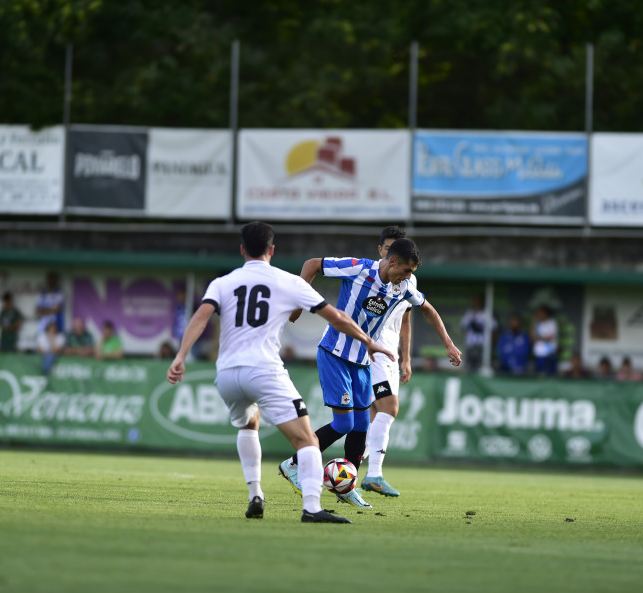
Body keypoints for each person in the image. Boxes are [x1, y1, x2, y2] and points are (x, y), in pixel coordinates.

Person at [166, 221, 394, 523]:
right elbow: (337, 317)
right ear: (272, 250)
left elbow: (200, 316)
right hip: (263, 370)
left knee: (249, 425)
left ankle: (255, 494)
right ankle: (312, 508)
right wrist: (368, 341)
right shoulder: (287, 281)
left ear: (242, 250)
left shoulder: (222, 282)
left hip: (226, 374)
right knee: (307, 441)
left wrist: (180, 356)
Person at [279, 237, 462, 509]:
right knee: (343, 424)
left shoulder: (404, 287)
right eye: (407, 270)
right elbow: (312, 264)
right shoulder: (358, 268)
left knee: (362, 425)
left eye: (412, 273)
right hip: (335, 354)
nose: (409, 277)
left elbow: (428, 309)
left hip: (363, 361)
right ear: (392, 261)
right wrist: (297, 304)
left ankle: (348, 484)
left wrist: (447, 342)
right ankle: (293, 464)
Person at [361, 226, 415, 498]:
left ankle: (346, 470)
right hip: (374, 352)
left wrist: (406, 357)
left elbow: (406, 318)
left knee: (374, 416)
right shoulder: (369, 276)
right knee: (389, 409)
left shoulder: (408, 281)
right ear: (381, 250)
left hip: (392, 354)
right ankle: (374, 475)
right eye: (387, 248)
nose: (391, 254)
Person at [460, 293, 497, 373]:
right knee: (468, 367)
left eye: (478, 300)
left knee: (481, 368)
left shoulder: (486, 313)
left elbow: (494, 329)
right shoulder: (469, 313)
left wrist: (488, 341)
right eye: (475, 301)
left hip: (482, 346)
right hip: (470, 345)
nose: (476, 302)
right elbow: (463, 328)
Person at [530, 304, 558, 376]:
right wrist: (534, 322)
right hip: (539, 355)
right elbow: (532, 338)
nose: (539, 315)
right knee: (539, 376)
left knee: (550, 376)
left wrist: (538, 338)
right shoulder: (537, 324)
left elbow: (549, 338)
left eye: (541, 313)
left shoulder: (552, 323)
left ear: (546, 313)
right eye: (538, 313)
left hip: (550, 354)